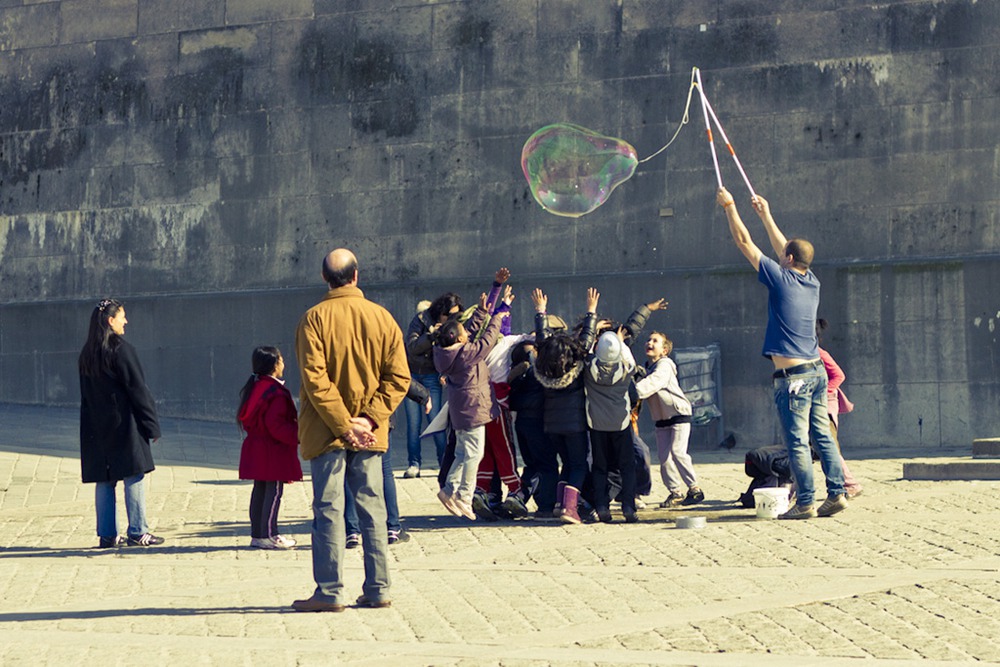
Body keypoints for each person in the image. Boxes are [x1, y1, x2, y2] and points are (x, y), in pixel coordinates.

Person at [292, 249, 410, 612]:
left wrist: (345, 425)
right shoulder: (383, 318)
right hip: (370, 433)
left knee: (328, 507)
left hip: (327, 432)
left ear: (325, 277)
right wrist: (368, 420)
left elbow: (315, 381)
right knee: (373, 509)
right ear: (356, 275)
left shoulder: (313, 319)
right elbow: (399, 378)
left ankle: (329, 590)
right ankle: (378, 587)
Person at [718, 187, 847, 519]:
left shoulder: (780, 280)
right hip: (816, 372)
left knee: (797, 443)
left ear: (787, 261)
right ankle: (836, 493)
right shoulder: (811, 281)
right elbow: (786, 249)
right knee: (822, 436)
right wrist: (766, 215)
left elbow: (745, 243)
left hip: (794, 380)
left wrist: (730, 208)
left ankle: (805, 502)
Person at [78, 298, 164, 548]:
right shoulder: (122, 350)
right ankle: (138, 530)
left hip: (96, 425)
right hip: (125, 423)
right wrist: (151, 425)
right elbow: (138, 390)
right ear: (110, 320)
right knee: (133, 474)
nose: (126, 321)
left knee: (105, 479)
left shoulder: (87, 352)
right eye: (122, 316)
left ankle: (107, 534)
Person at [433, 290, 512, 520]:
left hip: (460, 411)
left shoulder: (445, 352)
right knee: (474, 455)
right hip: (474, 410)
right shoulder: (468, 353)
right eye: (463, 334)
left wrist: (482, 311)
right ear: (459, 340)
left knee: (461, 452)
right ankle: (464, 497)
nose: (466, 335)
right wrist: (500, 313)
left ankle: (448, 490)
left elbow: (468, 330)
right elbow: (488, 338)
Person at [531, 287, 599, 524]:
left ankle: (560, 503)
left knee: (566, 463)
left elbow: (542, 340)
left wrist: (541, 312)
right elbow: (587, 340)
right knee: (579, 465)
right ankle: (570, 509)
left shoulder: (544, 367)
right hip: (575, 425)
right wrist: (591, 311)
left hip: (552, 426)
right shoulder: (577, 364)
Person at [344, 380, 430, 548]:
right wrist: (423, 395)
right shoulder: (376, 351)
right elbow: (397, 374)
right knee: (384, 471)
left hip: (349, 413)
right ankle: (392, 527)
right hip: (378, 415)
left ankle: (352, 531)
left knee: (348, 473)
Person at [237, 346, 303, 550]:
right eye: (281, 359)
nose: (284, 362)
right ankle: (269, 534)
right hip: (272, 449)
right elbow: (276, 424)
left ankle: (258, 534)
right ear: (274, 365)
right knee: (273, 492)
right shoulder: (275, 392)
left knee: (260, 490)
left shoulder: (257, 387)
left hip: (257, 446)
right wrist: (298, 435)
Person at [634, 331, 704, 507]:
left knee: (677, 452)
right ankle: (675, 492)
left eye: (655, 341)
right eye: (648, 340)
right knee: (664, 458)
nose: (649, 343)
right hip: (661, 419)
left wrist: (630, 392)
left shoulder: (664, 366)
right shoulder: (646, 368)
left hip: (679, 415)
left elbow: (652, 384)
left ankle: (695, 489)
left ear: (664, 351)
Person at [403, 293, 462, 477]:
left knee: (436, 422)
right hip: (412, 376)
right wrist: (431, 336)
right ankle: (414, 463)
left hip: (432, 376)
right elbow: (411, 347)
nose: (452, 320)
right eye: (449, 316)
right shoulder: (421, 319)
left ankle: (444, 462)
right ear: (440, 312)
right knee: (414, 423)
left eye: (456, 317)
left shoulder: (452, 327)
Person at [585, 329, 640, 523]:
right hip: (621, 423)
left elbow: (587, 350)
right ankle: (628, 507)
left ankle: (601, 507)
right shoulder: (626, 370)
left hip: (596, 424)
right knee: (627, 467)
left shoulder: (588, 369)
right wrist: (621, 341)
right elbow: (629, 359)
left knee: (600, 467)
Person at [816, 319, 862, 498]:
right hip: (818, 404)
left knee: (829, 448)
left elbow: (839, 375)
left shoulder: (819, 353)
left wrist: (823, 391)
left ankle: (850, 484)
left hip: (825, 406)